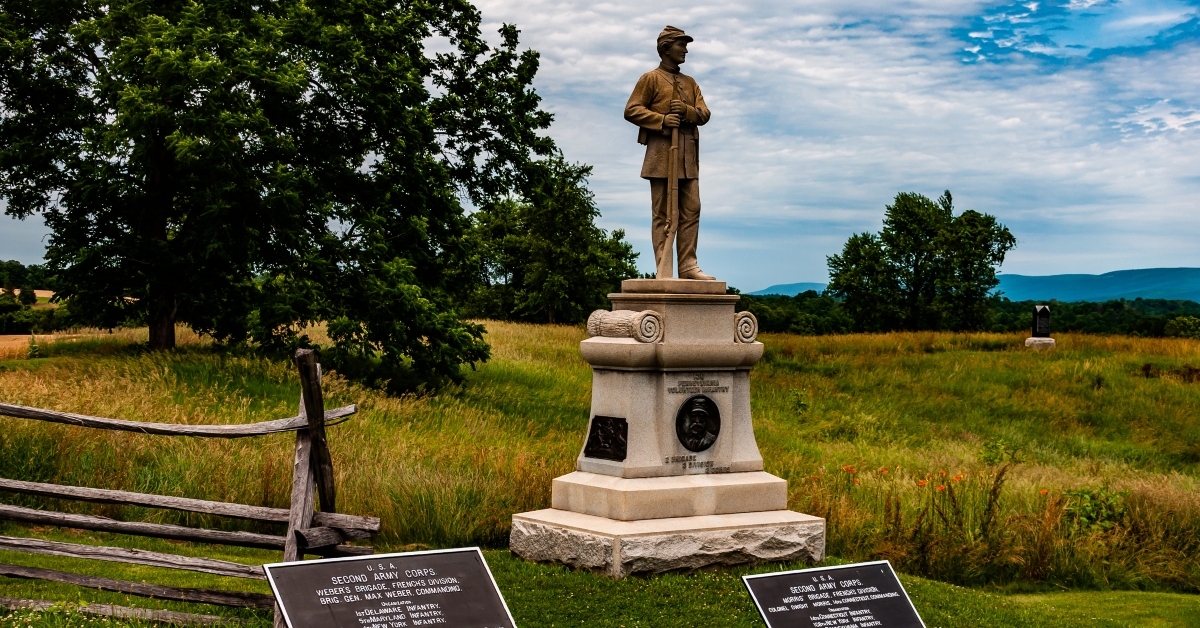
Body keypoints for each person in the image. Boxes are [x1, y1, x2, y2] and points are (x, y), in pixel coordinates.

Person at [624, 25, 714, 280]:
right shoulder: (650, 78)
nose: (685, 50)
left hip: (687, 155)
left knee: (692, 209)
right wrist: (662, 120)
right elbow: (632, 110)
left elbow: (704, 113)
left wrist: (686, 111)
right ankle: (663, 265)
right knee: (663, 213)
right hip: (662, 155)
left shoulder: (690, 82)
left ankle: (688, 265)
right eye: (681, 45)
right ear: (666, 48)